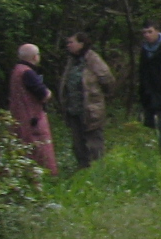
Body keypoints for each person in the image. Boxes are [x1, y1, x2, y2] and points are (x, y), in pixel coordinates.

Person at [60, 32, 118, 170]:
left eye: (71, 42)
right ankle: (83, 168)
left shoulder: (93, 59)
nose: (68, 45)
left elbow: (107, 80)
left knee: (93, 140)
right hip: (74, 107)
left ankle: (98, 169)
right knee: (78, 142)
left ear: (81, 44)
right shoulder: (72, 61)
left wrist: (99, 96)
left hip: (91, 107)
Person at [7, 43, 57, 175]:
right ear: (35, 57)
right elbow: (43, 94)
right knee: (41, 149)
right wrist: (49, 93)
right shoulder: (28, 73)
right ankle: (47, 177)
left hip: (19, 117)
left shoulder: (16, 70)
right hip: (33, 118)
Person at [138, 23, 161, 153]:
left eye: (150, 31)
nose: (147, 35)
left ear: (158, 31)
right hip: (151, 92)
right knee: (157, 125)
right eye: (144, 33)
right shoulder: (145, 49)